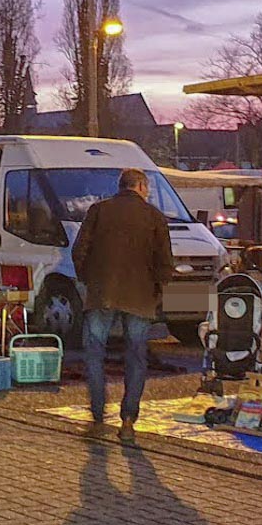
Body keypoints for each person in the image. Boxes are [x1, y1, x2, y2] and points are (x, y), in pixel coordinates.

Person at [71, 168, 174, 444]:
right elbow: (165, 261)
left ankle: (97, 416)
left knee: (94, 353)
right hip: (140, 298)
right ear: (140, 186)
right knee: (136, 356)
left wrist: (89, 280)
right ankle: (128, 420)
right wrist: (158, 289)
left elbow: (79, 250)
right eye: (148, 187)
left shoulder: (99, 210)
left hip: (101, 293)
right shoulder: (154, 216)